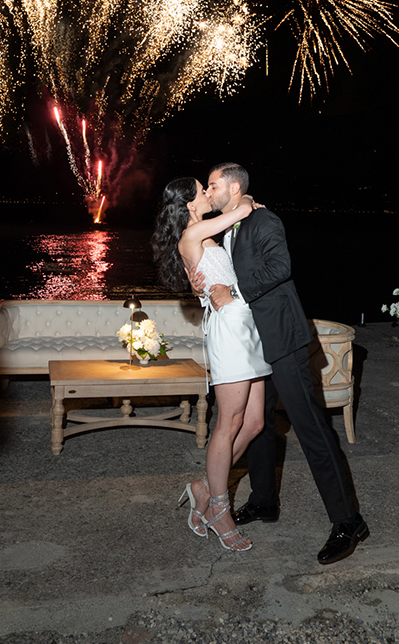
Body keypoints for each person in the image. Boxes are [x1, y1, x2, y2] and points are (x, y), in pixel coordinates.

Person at [189, 162, 369, 565]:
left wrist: (233, 292)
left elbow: (280, 268)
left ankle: (348, 520)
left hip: (282, 336)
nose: (209, 192)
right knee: (260, 423)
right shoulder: (226, 226)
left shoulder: (265, 220)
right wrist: (200, 281)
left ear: (234, 188)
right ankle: (264, 500)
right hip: (250, 342)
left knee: (309, 426)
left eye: (214, 185)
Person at [151, 177, 272, 552]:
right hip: (228, 331)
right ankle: (220, 509)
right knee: (229, 423)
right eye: (202, 190)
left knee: (254, 422)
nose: (208, 194)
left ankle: (204, 487)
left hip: (247, 325)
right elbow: (242, 209)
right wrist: (245, 197)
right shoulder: (192, 235)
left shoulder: (203, 234)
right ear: (190, 204)